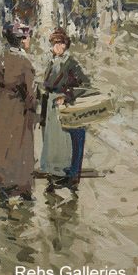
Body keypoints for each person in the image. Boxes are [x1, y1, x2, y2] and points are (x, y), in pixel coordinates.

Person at [0, 21, 37, 200]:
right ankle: (21, 186)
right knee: (20, 146)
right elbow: (31, 93)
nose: (29, 40)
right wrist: (34, 110)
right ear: (21, 40)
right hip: (19, 110)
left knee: (3, 146)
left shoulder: (2, 58)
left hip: (2, 106)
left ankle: (3, 184)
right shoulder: (25, 62)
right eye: (27, 37)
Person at [39, 28, 90, 189]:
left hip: (64, 106)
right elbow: (48, 83)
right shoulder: (52, 61)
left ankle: (67, 175)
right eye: (55, 44)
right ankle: (55, 172)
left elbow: (85, 84)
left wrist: (67, 97)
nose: (57, 47)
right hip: (51, 105)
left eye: (60, 44)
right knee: (53, 141)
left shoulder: (71, 63)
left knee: (65, 142)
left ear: (65, 45)